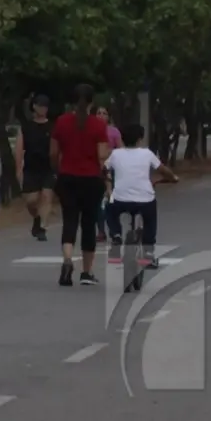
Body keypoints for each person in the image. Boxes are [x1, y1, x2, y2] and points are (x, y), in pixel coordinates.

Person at [50, 84, 109, 286]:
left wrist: (58, 170)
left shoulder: (62, 122)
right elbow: (102, 156)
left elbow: (53, 152)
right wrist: (105, 176)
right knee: (89, 224)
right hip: (91, 179)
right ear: (92, 102)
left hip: (67, 177)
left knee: (69, 220)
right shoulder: (98, 125)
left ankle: (67, 260)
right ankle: (86, 271)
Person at [104, 124, 179, 268]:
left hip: (119, 199)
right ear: (140, 139)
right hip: (145, 200)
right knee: (150, 219)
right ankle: (148, 251)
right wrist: (173, 177)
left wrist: (108, 183)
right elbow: (163, 170)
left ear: (122, 139)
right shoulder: (147, 153)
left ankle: (116, 236)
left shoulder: (115, 154)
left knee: (109, 207)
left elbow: (104, 169)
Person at [15, 94, 55, 241]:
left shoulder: (52, 127)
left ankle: (43, 227)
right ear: (34, 107)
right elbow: (19, 149)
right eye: (40, 106)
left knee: (46, 196)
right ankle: (37, 219)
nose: (42, 109)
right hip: (31, 168)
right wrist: (18, 169)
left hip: (48, 167)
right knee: (31, 201)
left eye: (45, 106)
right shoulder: (26, 127)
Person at [95, 105, 123, 242]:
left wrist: (109, 152)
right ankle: (101, 231)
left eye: (104, 113)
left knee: (111, 200)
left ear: (108, 116)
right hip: (94, 169)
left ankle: (114, 231)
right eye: (98, 113)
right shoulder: (90, 131)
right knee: (96, 202)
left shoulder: (113, 131)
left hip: (111, 169)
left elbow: (121, 149)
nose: (101, 115)